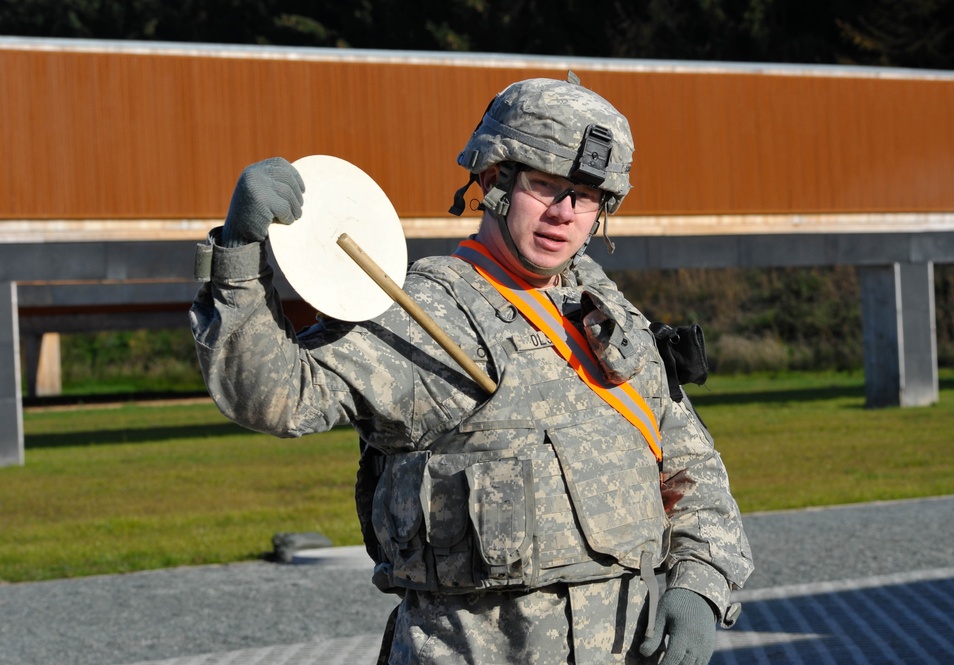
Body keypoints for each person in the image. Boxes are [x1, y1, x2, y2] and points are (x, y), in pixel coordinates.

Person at [190, 74, 753, 664]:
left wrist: (699, 586)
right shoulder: (426, 315)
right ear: (493, 182)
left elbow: (691, 470)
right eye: (545, 186)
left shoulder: (611, 322)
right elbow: (275, 395)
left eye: (585, 196)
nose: (564, 213)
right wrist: (238, 257)